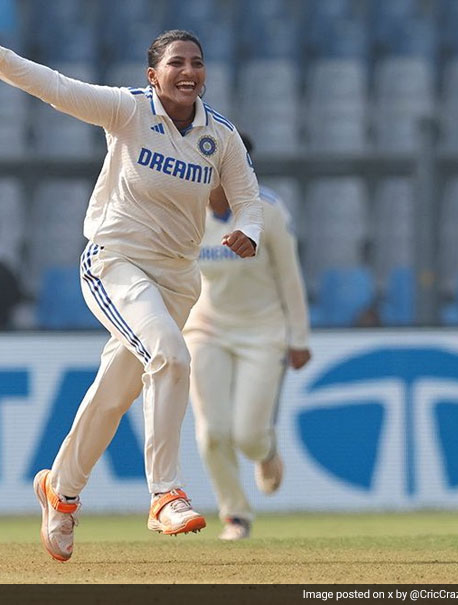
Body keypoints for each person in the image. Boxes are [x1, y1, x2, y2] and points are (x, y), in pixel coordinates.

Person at [0, 29, 264, 561]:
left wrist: (248, 231)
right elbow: (55, 87)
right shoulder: (128, 110)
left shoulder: (220, 135)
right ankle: (165, 493)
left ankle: (60, 490)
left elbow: (248, 199)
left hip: (177, 280)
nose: (188, 72)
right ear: (153, 75)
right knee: (170, 356)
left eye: (197, 62)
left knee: (114, 392)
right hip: (115, 263)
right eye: (176, 63)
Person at [184, 135, 311, 541]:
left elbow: (290, 278)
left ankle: (266, 452)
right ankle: (235, 514)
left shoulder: (267, 211)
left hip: (263, 330)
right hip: (206, 328)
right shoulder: (184, 209)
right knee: (211, 431)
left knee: (249, 436)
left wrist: (299, 338)